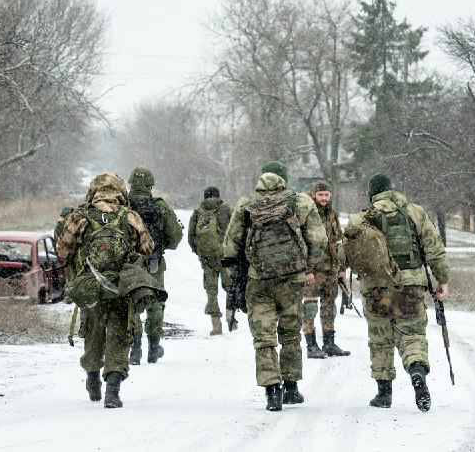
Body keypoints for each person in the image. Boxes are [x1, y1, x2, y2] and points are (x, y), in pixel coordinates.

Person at [222, 161, 327, 412]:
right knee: (290, 332)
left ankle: (271, 391)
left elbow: (230, 246)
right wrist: (304, 265)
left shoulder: (246, 204)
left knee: (264, 337)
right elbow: (319, 240)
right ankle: (291, 388)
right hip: (292, 279)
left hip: (258, 280)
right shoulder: (300, 202)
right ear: (285, 179)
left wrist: (236, 278)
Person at [343, 173, 449, 412]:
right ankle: (417, 369)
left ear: (371, 194)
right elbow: (434, 248)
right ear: (392, 189)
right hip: (411, 285)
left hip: (376, 288)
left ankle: (384, 394)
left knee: (380, 339)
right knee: (412, 334)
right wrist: (442, 279)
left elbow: (345, 255)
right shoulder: (414, 212)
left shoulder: (361, 218)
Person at [56, 172, 155, 409]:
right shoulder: (130, 216)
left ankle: (92, 377)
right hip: (120, 287)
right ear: (121, 191)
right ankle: (113, 389)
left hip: (90, 287)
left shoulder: (79, 217)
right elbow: (147, 249)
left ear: (93, 191)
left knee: (92, 333)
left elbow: (63, 251)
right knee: (120, 336)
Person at [126, 166, 183, 365]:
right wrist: (158, 245)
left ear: (131, 183)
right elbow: (175, 239)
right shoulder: (160, 206)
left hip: (129, 265)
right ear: (151, 185)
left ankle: (135, 348)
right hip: (154, 262)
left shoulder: (123, 206)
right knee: (155, 304)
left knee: (131, 303)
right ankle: (153, 347)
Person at [302, 179, 350, 359]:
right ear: (313, 194)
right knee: (310, 307)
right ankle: (311, 345)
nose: (323, 198)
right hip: (313, 271)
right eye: (320, 194)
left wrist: (341, 267)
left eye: (326, 195)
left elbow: (339, 242)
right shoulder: (307, 213)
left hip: (331, 269)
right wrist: (307, 270)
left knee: (329, 307)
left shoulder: (332, 214)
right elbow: (302, 244)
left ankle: (329, 344)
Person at [188, 186, 233, 335]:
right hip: (226, 256)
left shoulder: (197, 213)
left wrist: (201, 252)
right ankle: (230, 317)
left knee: (211, 291)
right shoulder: (226, 209)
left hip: (207, 259)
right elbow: (236, 230)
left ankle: (216, 325)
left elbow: (191, 237)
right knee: (230, 287)